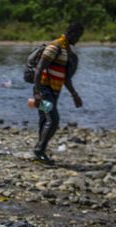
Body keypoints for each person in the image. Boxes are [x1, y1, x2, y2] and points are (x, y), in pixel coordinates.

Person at [32, 22, 84, 165]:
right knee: (53, 120)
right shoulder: (55, 46)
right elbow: (39, 69)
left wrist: (74, 95)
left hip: (53, 91)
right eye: (78, 36)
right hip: (44, 90)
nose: (78, 40)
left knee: (45, 119)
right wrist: (37, 92)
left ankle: (40, 152)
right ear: (72, 33)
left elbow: (65, 78)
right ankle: (39, 150)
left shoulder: (66, 50)